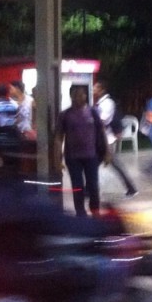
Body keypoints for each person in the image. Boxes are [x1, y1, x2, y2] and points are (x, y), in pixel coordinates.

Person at [54, 84, 105, 217]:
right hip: (73, 158)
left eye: (82, 94)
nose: (80, 97)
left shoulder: (93, 112)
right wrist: (57, 159)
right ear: (71, 96)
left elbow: (101, 131)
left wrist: (107, 152)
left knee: (93, 186)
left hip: (91, 156)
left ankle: (95, 212)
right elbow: (59, 137)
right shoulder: (65, 115)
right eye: (76, 94)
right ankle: (80, 214)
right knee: (77, 187)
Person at [93, 80, 138, 197]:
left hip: (106, 139)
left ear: (102, 90)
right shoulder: (100, 103)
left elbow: (103, 121)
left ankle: (131, 188)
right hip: (102, 139)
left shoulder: (107, 103)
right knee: (93, 165)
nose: (93, 90)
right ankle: (90, 190)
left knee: (112, 164)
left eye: (96, 88)